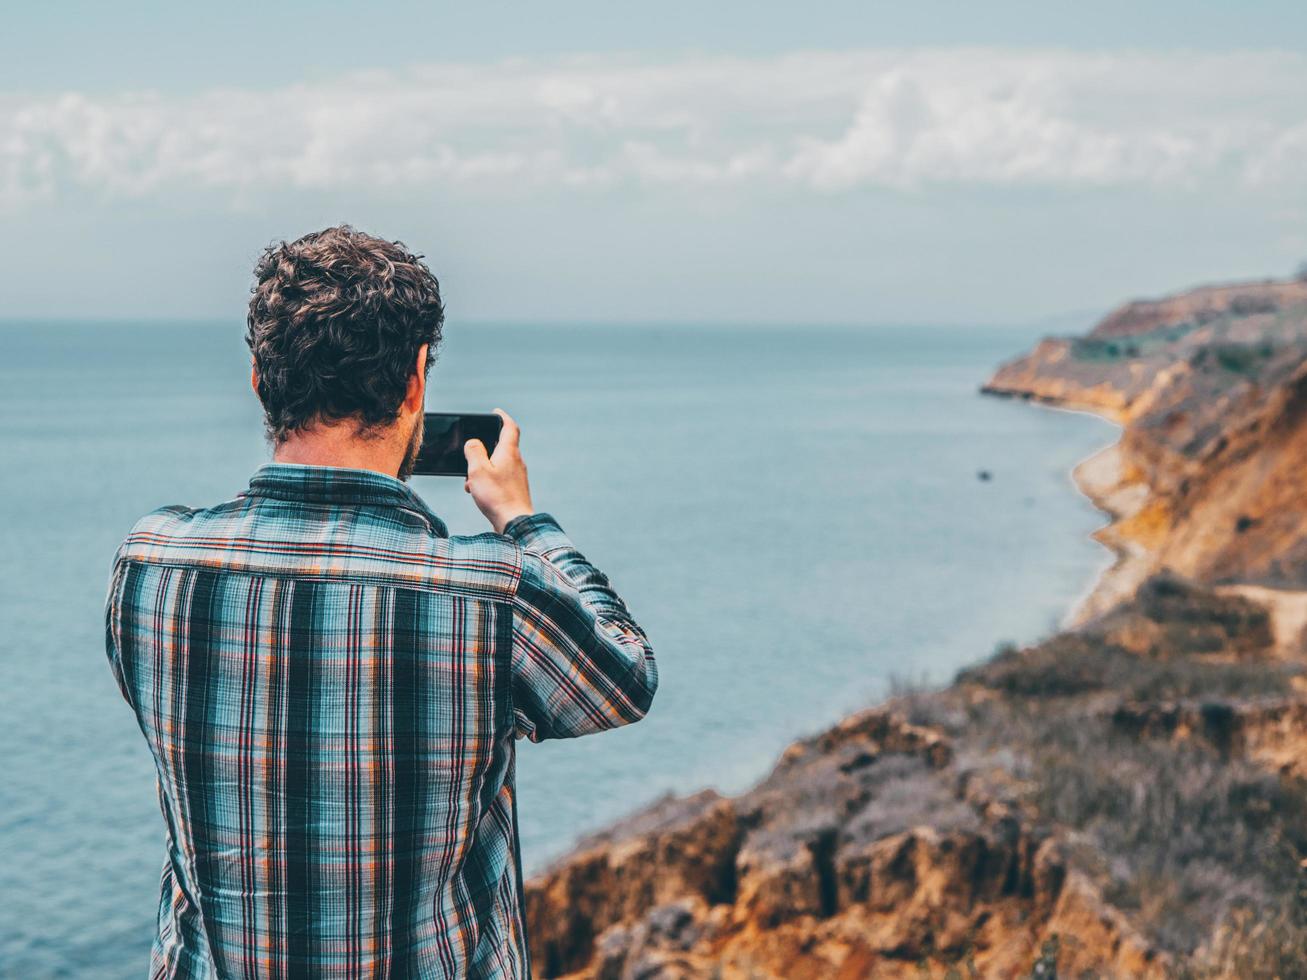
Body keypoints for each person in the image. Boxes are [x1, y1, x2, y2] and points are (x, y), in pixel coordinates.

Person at [103, 225, 659, 978]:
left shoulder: (149, 567)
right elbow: (624, 680)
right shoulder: (492, 595)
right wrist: (523, 521)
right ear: (413, 385)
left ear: (262, 384)